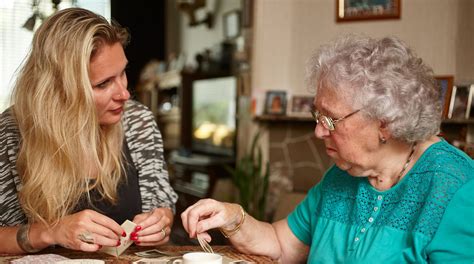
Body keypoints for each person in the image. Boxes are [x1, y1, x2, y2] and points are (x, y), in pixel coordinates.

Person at [181, 35, 474, 263]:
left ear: (385, 124)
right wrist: (234, 218)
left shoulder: (455, 188)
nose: (319, 130)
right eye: (317, 116)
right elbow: (281, 245)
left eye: (330, 119)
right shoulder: (342, 175)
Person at [0, 8, 178, 253]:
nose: (124, 94)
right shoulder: (10, 131)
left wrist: (161, 222)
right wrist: (49, 231)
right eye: (103, 84)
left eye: (123, 73)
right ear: (58, 91)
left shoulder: (138, 122)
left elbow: (162, 208)